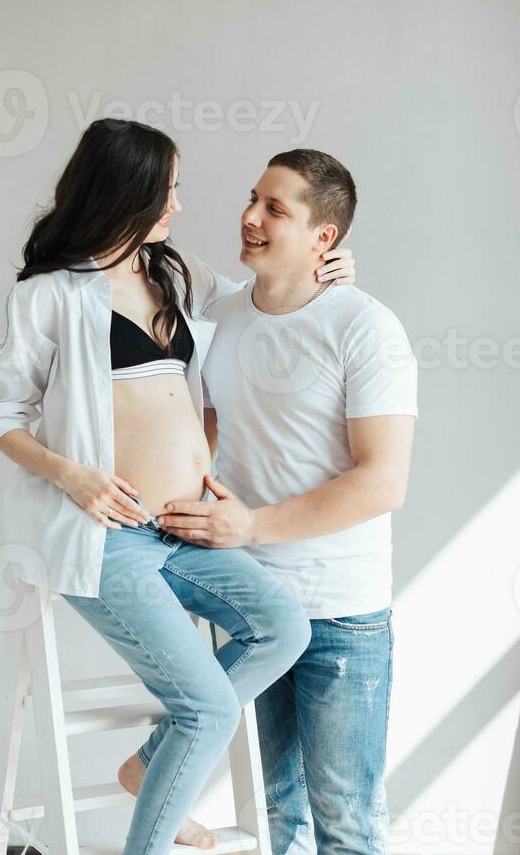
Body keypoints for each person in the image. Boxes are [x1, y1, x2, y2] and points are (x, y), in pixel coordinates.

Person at [0, 121, 357, 855]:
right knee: (208, 710)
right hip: (107, 537)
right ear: (128, 191)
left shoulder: (177, 274)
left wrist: (331, 268)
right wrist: (74, 474)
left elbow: (260, 298)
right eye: (169, 190)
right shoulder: (50, 295)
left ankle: (150, 770)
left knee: (285, 628)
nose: (177, 206)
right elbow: (1, 417)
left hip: (184, 525)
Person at [154, 149, 418, 854]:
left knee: (347, 824)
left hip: (341, 613)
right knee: (277, 821)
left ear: (323, 238)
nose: (249, 217)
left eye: (277, 209)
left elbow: (383, 480)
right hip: (251, 605)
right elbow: (201, 436)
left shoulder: (366, 328)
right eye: (252, 199)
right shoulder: (220, 316)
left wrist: (252, 524)